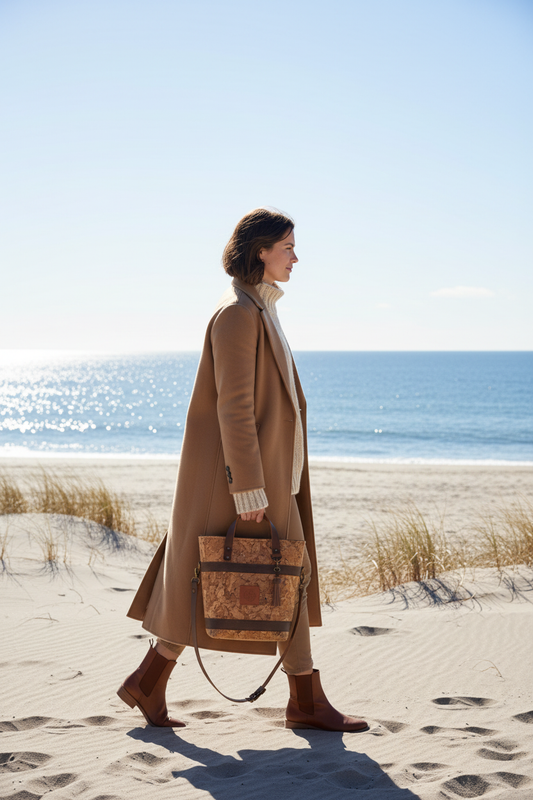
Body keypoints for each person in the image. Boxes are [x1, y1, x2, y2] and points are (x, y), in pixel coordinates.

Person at [117, 208, 367, 732]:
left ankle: (149, 680)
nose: (296, 258)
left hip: (271, 477)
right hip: (243, 484)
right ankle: (304, 700)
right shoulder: (237, 314)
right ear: (261, 251)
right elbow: (233, 408)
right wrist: (249, 487)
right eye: (288, 247)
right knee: (281, 576)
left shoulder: (259, 309)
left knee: (209, 581)